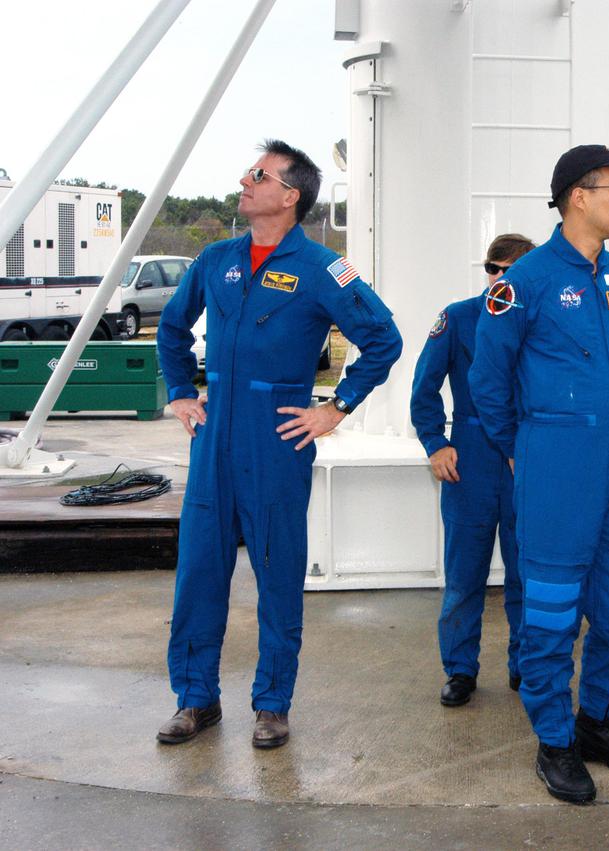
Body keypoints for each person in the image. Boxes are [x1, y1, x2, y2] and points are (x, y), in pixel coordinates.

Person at [155, 140, 402, 749]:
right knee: (198, 575)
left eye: (258, 174)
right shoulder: (215, 259)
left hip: (278, 436)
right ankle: (194, 699)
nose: (244, 180)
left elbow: (383, 338)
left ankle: (272, 703)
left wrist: (335, 408)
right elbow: (170, 325)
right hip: (214, 439)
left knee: (278, 574)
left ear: (289, 195)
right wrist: (183, 388)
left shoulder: (323, 268)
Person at [469, 144, 609, 804]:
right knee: (549, 615)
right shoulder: (523, 281)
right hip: (555, 465)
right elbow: (487, 382)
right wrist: (521, 449)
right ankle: (554, 739)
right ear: (578, 195)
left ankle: (597, 721)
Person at [410, 233, 535, 707]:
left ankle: (526, 665)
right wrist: (435, 443)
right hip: (471, 461)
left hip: (525, 458)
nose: (499, 277)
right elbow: (424, 389)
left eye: (509, 269)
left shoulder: (542, 321)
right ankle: (460, 669)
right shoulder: (459, 317)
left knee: (527, 571)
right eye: (492, 267)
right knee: (465, 575)